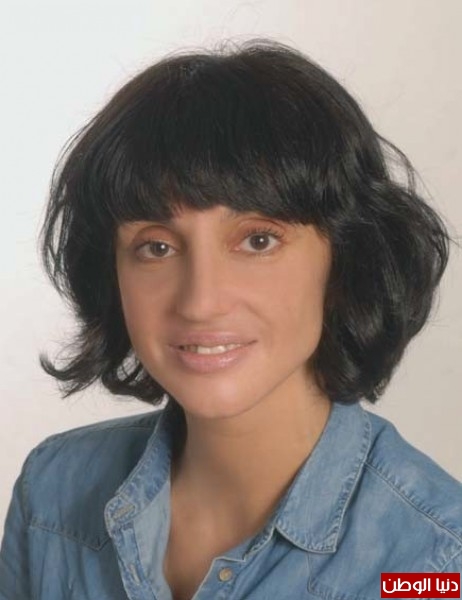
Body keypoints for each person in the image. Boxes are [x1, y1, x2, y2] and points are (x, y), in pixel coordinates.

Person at [1, 38, 461, 600]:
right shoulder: (53, 493)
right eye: (156, 247)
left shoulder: (435, 564)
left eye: (257, 240)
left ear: (346, 257)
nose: (201, 301)